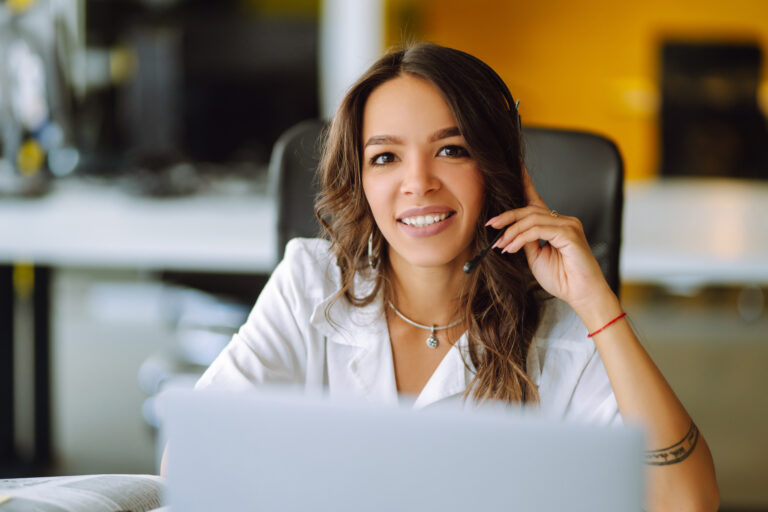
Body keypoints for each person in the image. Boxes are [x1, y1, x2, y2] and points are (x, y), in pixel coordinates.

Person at [193, 43, 719, 510]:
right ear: (362, 181)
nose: (417, 183)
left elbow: (686, 501)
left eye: (451, 150)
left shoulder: (564, 328)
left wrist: (598, 304)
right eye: (385, 157)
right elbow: (193, 458)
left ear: (498, 167)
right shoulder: (309, 282)